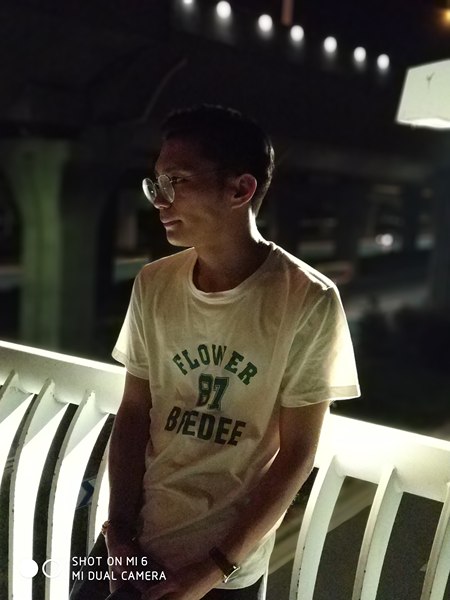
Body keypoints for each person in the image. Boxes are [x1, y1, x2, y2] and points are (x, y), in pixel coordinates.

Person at [106, 105, 360, 600]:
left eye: (177, 181)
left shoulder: (307, 299)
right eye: (157, 183)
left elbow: (298, 453)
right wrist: (117, 533)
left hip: (223, 571)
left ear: (240, 189)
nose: (160, 200)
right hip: (130, 546)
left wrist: (211, 570)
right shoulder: (154, 283)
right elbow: (134, 412)